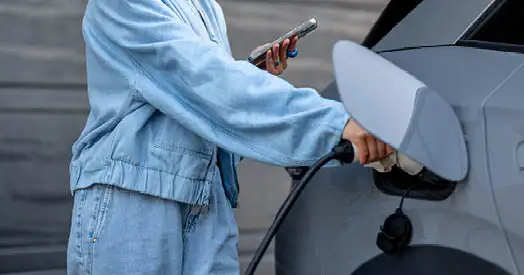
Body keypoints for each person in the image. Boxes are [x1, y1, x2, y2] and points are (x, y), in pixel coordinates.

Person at [66, 0, 392, 274]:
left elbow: (206, 103)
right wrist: (333, 125)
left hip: (206, 203)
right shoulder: (123, 4)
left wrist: (250, 74)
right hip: (136, 205)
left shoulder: (205, 6)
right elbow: (211, 85)